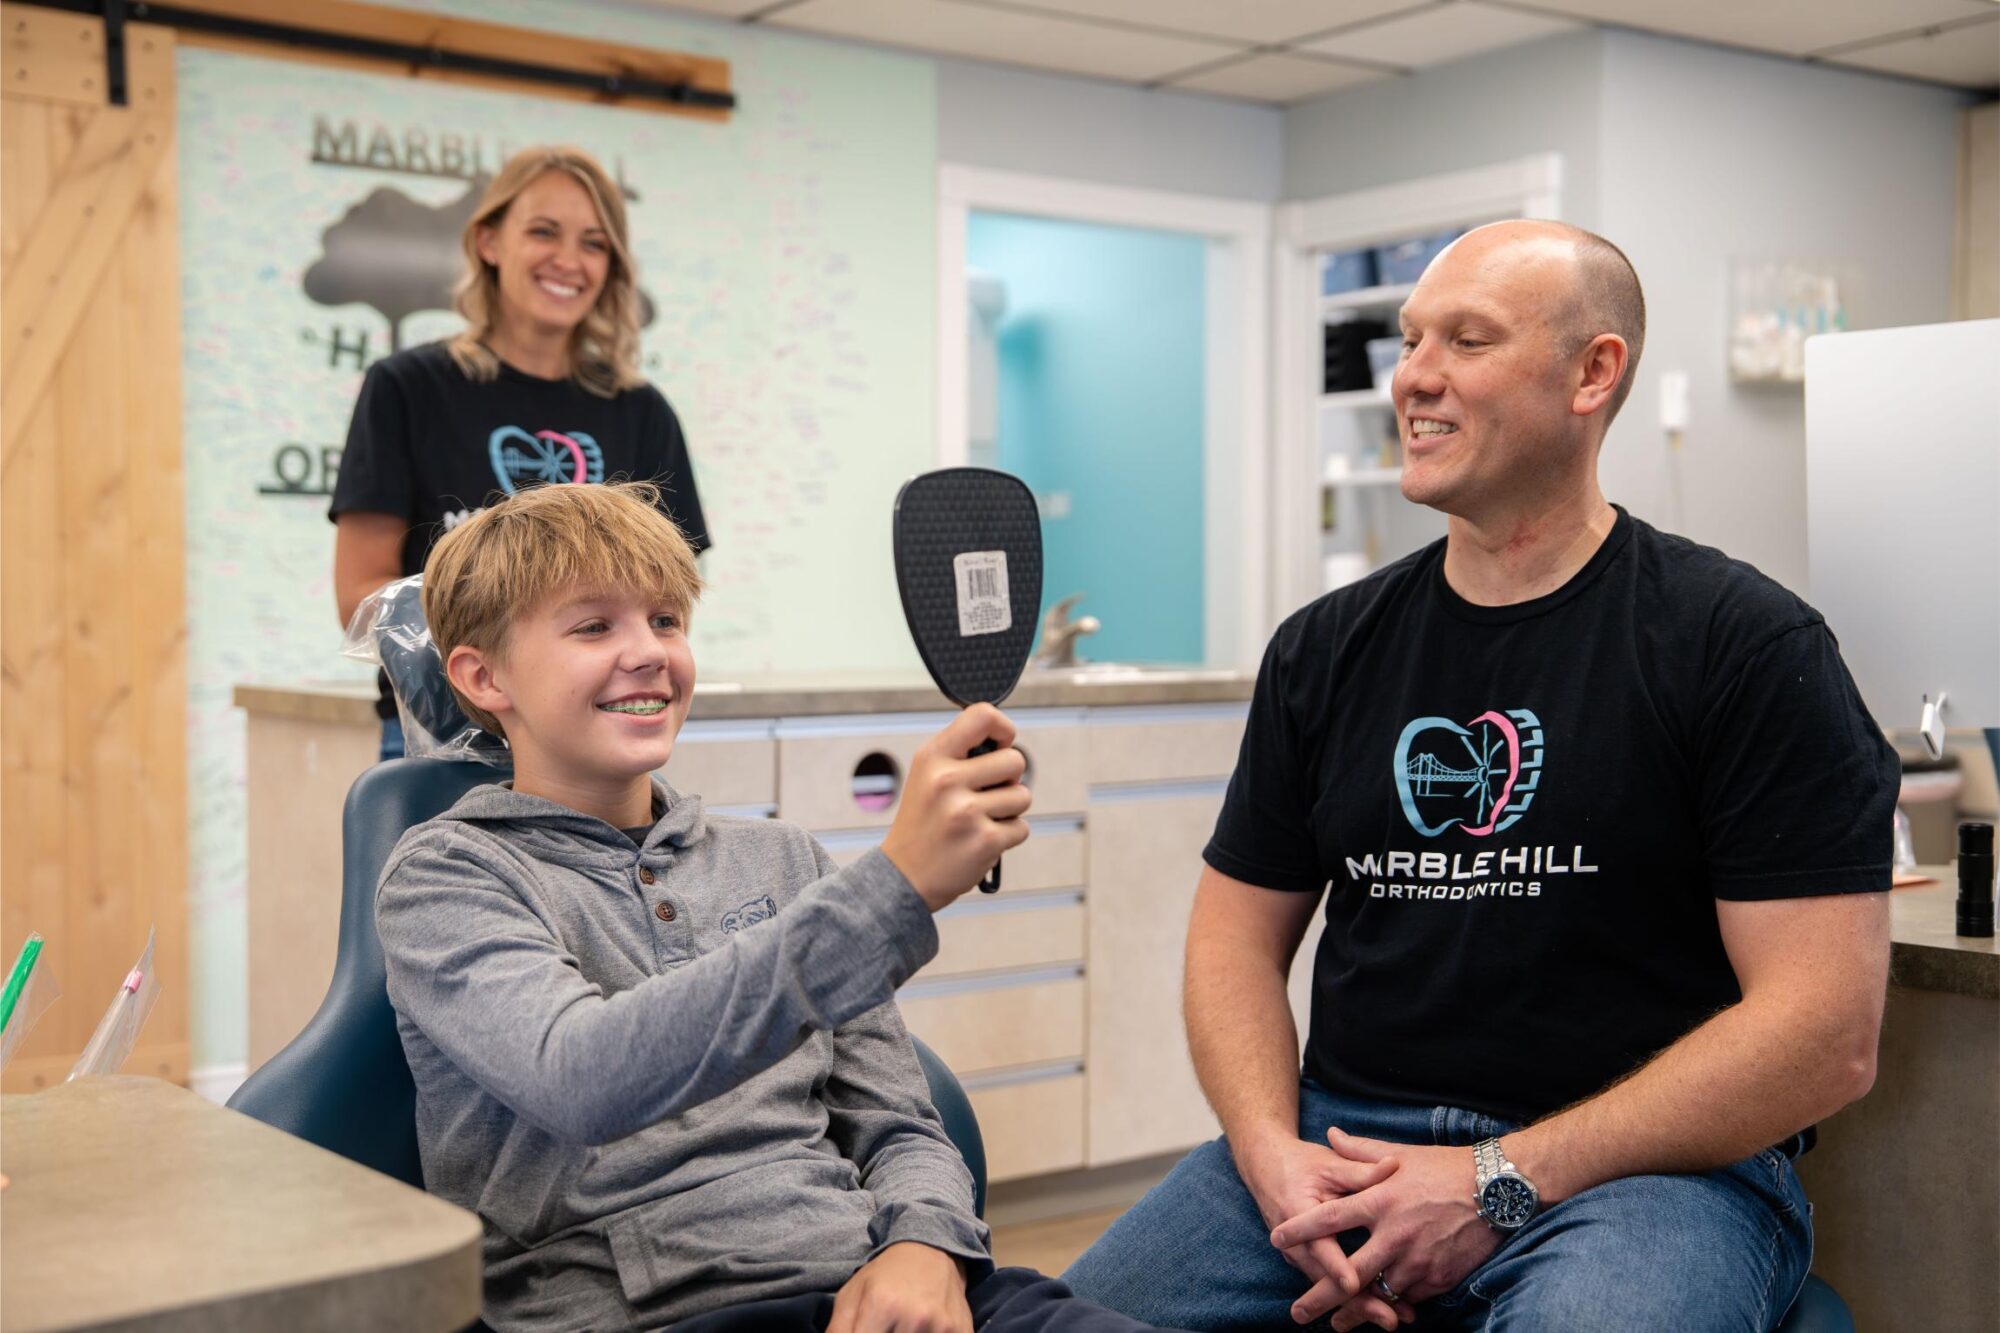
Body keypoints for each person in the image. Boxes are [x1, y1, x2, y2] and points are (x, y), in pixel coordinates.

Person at [1062, 221, 1896, 1332]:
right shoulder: (1324, 648)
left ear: (1591, 373)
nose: (1413, 375)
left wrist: (1494, 1179)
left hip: (1639, 1178)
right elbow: (1230, 940)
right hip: (1339, 1146)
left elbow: (1823, 1031)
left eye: (1465, 339)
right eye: (1409, 340)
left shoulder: (1739, 643)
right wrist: (1272, 1162)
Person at [377, 481, 1185, 1333]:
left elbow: (900, 1120)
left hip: (874, 1282)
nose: (649, 651)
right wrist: (890, 891)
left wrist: (927, 1246)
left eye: (666, 620)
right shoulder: (447, 876)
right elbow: (583, 1077)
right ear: (482, 674)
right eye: (593, 626)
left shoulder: (782, 858)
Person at [330, 145, 709, 761]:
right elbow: (360, 597)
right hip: (440, 742)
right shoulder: (407, 389)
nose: (569, 260)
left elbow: (671, 597)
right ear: (488, 243)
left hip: (596, 737)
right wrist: (516, 642)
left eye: (594, 242)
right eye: (543, 232)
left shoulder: (643, 413)